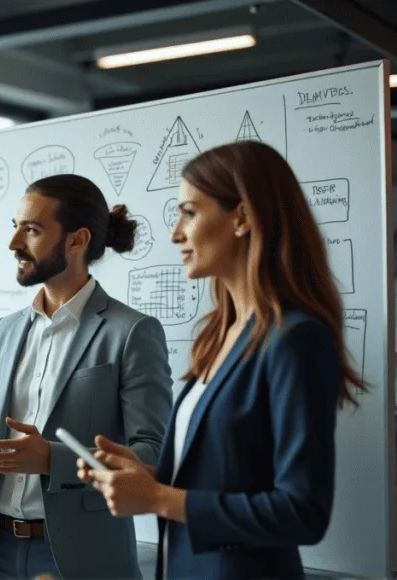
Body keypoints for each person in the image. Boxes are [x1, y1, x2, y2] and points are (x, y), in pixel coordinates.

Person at [79, 141, 366, 579]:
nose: (176, 233)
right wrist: (151, 478)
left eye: (189, 213)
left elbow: (302, 511)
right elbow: (224, 477)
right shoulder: (220, 335)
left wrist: (159, 498)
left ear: (243, 217)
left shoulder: (295, 340)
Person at [0, 174, 174, 580]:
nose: (14, 242)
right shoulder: (7, 329)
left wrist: (54, 459)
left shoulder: (132, 332)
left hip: (80, 556)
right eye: (15, 226)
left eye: (31, 230)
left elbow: (153, 453)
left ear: (77, 240)